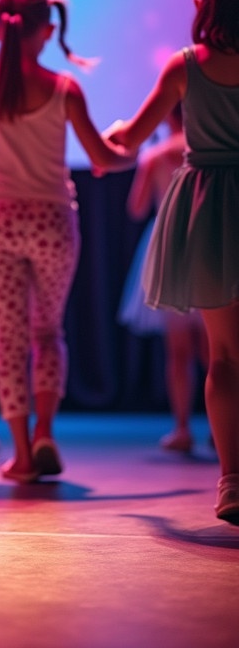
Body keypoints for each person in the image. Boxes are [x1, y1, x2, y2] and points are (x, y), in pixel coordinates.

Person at [0, 0, 134, 484]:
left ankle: (23, 455)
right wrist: (128, 146)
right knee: (48, 333)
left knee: (9, 341)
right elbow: (102, 159)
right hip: (52, 221)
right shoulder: (64, 89)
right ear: (47, 31)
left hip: (1, 223)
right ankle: (46, 430)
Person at [104, 0, 239, 522]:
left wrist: (104, 130)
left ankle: (232, 481)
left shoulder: (186, 65)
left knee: (224, 357)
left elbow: (127, 140)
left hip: (210, 211)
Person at [117, 104, 208, 454]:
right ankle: (221, 429)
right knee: (216, 349)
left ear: (168, 114)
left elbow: (137, 208)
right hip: (207, 242)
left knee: (179, 349)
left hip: (170, 244)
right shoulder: (208, 150)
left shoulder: (156, 155)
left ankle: (182, 427)